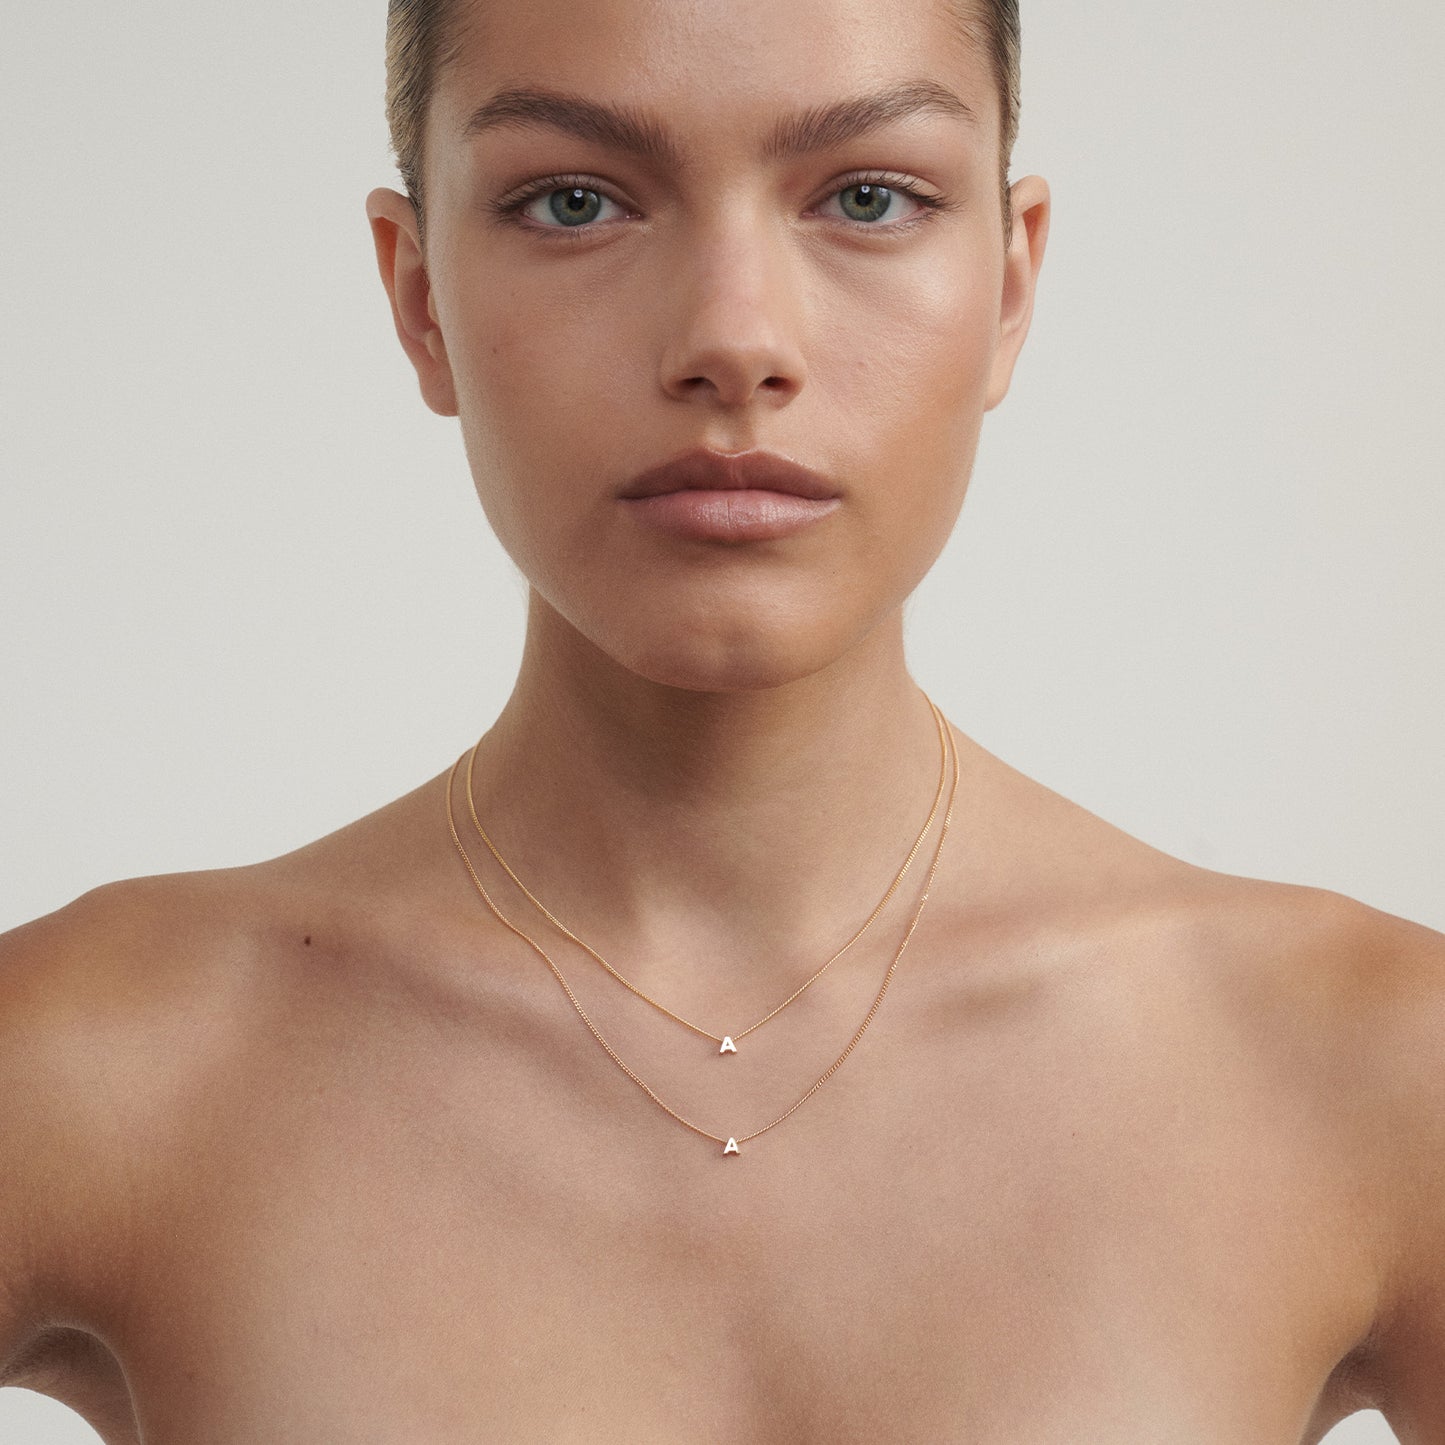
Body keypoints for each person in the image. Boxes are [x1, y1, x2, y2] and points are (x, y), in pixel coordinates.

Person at [1, 0, 1442, 1440]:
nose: (732, 339)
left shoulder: (1369, 1069)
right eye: (575, 201)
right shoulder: (101, 1063)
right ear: (418, 295)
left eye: (866, 197)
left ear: (1007, 288)